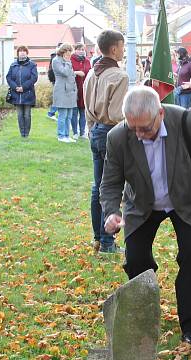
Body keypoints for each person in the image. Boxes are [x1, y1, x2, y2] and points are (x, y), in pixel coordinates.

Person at [100, 86, 191, 347]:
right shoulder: (117, 137)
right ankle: (145, 319)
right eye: (132, 127)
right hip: (142, 204)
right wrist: (112, 212)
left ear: (160, 113)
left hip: (185, 200)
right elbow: (110, 182)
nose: (139, 134)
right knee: (136, 260)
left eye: (145, 128)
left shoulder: (186, 121)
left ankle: (190, 327)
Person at [84, 29, 129, 254]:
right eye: (122, 46)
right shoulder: (119, 76)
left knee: (97, 186)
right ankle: (108, 242)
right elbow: (116, 112)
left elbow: (86, 107)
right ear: (113, 48)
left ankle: (98, 238)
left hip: (95, 129)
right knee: (109, 188)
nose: (123, 50)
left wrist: (91, 128)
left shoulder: (92, 73)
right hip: (111, 131)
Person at [5, 45, 38, 138]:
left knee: (27, 115)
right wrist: (15, 87)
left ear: (27, 53)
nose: (22, 52)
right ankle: (22, 133)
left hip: (28, 93)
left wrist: (23, 87)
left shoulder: (32, 65)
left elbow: (34, 78)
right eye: (20, 51)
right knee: (19, 115)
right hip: (16, 94)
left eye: (24, 51)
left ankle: (26, 133)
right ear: (18, 53)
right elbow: (9, 77)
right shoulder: (13, 65)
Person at [51, 43, 77, 143]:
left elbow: (71, 74)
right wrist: (67, 62)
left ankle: (67, 135)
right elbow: (65, 73)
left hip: (70, 91)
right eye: (68, 52)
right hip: (61, 90)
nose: (70, 54)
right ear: (63, 51)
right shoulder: (56, 60)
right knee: (63, 115)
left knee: (69, 115)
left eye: (70, 52)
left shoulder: (67, 61)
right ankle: (61, 136)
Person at [70, 43, 91, 139]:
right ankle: (75, 132)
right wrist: (76, 73)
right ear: (75, 50)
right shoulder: (71, 60)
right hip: (74, 89)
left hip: (85, 90)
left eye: (83, 49)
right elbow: (68, 72)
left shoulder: (87, 61)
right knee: (74, 112)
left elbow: (90, 73)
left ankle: (82, 132)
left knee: (83, 112)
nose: (81, 51)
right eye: (79, 49)